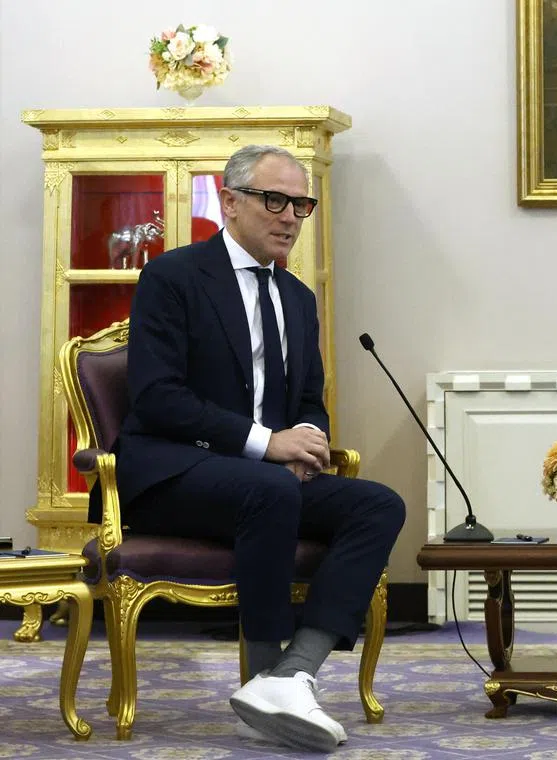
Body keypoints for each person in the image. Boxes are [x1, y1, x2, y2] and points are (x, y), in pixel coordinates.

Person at [102, 144, 406, 752]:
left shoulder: (297, 297)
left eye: (301, 204)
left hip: (262, 478)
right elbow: (159, 398)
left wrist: (307, 443)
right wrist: (268, 445)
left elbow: (310, 399)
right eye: (275, 200)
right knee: (267, 489)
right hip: (174, 471)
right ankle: (264, 673)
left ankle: (291, 676)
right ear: (230, 200)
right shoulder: (174, 276)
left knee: (378, 504)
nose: (290, 216)